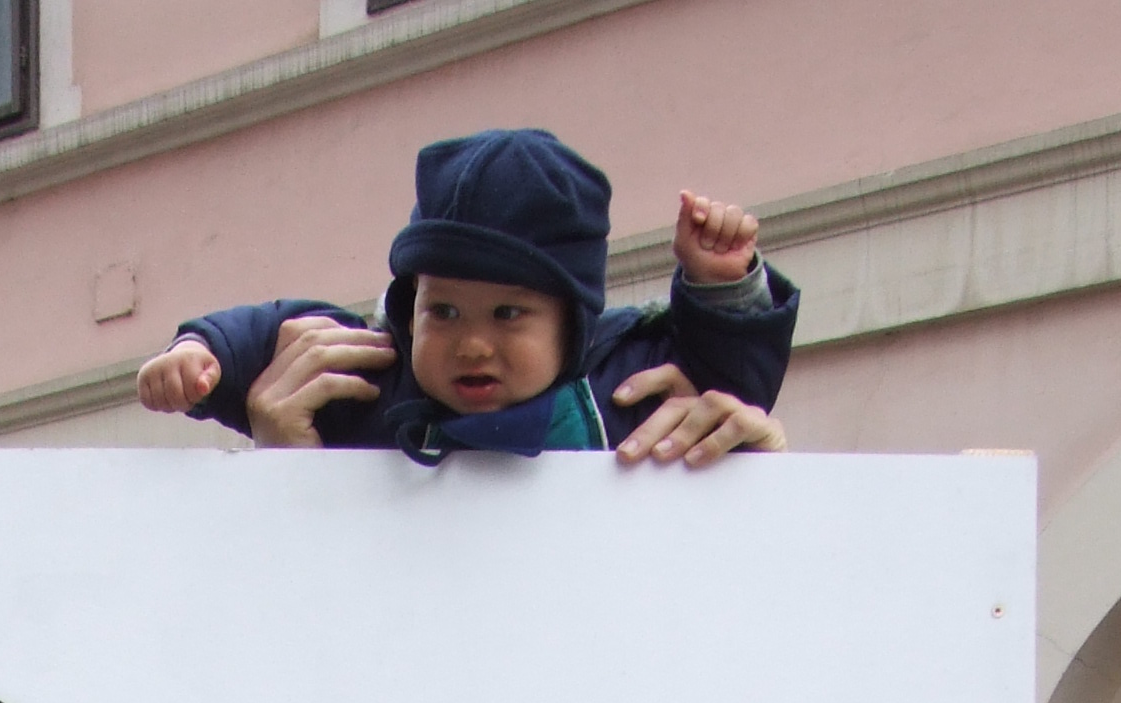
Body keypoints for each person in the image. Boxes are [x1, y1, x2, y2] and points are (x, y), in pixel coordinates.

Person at [137, 132, 792, 467]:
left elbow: (733, 380)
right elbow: (269, 332)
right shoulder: (369, 383)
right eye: (443, 312)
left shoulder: (627, 386)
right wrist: (199, 358)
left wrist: (721, 284)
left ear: (574, 324)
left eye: (508, 314)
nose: (473, 344)